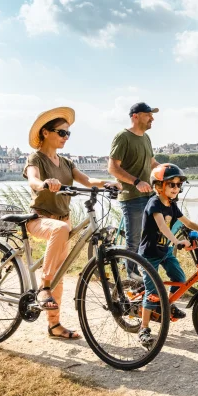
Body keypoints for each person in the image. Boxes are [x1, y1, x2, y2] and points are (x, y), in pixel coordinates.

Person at [24, 106, 120, 340]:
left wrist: (108, 183)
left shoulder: (66, 163)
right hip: (40, 219)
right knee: (60, 234)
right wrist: (46, 183)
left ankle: (54, 325)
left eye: (68, 134)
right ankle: (44, 287)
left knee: (60, 273)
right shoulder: (35, 158)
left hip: (62, 223)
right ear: (46, 133)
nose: (65, 137)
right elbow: (34, 180)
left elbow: (87, 180)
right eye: (61, 133)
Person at [137, 163, 198, 348]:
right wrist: (177, 241)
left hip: (164, 253)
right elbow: (163, 227)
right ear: (158, 186)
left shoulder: (172, 205)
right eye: (171, 184)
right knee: (153, 292)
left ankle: (167, 306)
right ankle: (143, 329)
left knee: (180, 279)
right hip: (149, 256)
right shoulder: (154, 203)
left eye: (179, 185)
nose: (176, 188)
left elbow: (188, 222)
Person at [107, 102, 160, 277]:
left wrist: (170, 173)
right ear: (135, 116)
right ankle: (131, 275)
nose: (152, 118)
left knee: (149, 237)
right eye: (148, 114)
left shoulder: (146, 138)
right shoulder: (123, 137)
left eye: (152, 115)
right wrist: (136, 181)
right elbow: (113, 168)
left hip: (149, 195)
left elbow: (152, 164)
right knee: (134, 240)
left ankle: (145, 273)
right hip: (131, 196)